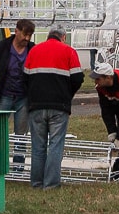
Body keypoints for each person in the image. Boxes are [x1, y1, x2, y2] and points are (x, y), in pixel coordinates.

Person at [22, 26, 84, 189]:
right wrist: (66, 94)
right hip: (59, 106)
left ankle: (36, 183)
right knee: (55, 145)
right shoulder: (69, 51)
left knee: (38, 146)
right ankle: (51, 184)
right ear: (63, 37)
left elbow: (25, 79)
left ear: (48, 36)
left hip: (36, 106)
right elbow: (78, 78)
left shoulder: (34, 51)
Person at [0, 19, 35, 168]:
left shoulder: (32, 49)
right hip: (3, 96)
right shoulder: (3, 47)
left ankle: (18, 167)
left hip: (23, 98)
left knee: (21, 136)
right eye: (24, 34)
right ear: (16, 31)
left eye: (30, 35)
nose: (27, 39)